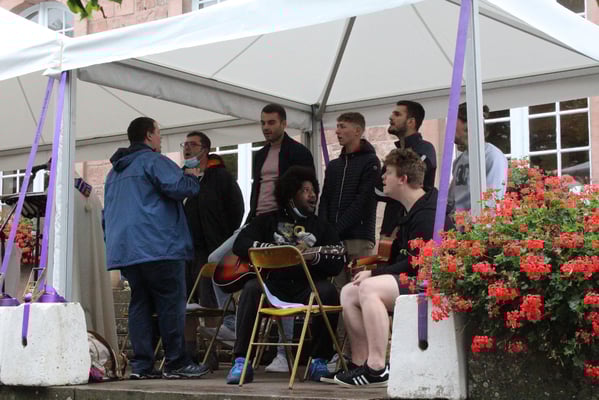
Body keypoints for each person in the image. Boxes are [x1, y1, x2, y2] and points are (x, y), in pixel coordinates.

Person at [330, 149, 453, 387]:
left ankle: (377, 368)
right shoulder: (410, 210)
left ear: (402, 179)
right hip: (415, 279)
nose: (383, 178)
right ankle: (360, 363)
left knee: (369, 289)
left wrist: (374, 273)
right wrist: (374, 271)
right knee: (349, 292)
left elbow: (418, 263)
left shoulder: (427, 214)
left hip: (432, 284)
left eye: (388, 173)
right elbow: (399, 259)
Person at [208, 103, 315, 373]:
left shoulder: (298, 152)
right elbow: (257, 189)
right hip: (256, 221)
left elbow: (309, 190)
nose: (266, 128)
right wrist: (249, 220)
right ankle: (231, 324)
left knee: (282, 280)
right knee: (215, 260)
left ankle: (283, 352)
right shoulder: (260, 154)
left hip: (284, 223)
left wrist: (299, 223)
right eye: (263, 123)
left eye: (271, 123)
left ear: (284, 124)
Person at [104, 117, 209, 380]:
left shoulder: (114, 172)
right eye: (159, 133)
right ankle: (176, 362)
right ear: (149, 135)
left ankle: (142, 365)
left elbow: (107, 215)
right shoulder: (153, 161)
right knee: (170, 302)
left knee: (140, 302)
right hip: (160, 244)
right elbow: (179, 188)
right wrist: (192, 176)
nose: (161, 139)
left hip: (127, 250)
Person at [225, 166, 345, 384]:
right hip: (274, 285)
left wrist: (312, 257)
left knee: (328, 291)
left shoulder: (321, 226)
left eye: (313, 190)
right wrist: (274, 251)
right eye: (305, 190)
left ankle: (319, 360)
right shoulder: (267, 220)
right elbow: (240, 244)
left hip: (307, 287)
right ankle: (242, 360)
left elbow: (337, 262)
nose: (312, 195)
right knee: (251, 289)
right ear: (291, 195)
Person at [181, 131, 244, 344]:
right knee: (186, 304)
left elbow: (236, 208)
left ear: (205, 149)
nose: (187, 148)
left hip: (210, 248)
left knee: (210, 303)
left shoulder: (220, 177)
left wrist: (223, 237)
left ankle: (212, 353)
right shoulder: (181, 177)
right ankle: (190, 351)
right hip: (185, 250)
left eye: (193, 144)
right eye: (185, 144)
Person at [318, 112, 381, 264]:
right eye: (337, 126)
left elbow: (364, 201)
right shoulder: (334, 166)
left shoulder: (370, 161)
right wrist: (325, 229)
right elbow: (325, 199)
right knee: (335, 279)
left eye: (342, 126)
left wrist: (335, 229)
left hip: (359, 238)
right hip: (333, 241)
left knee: (359, 278)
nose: (337, 131)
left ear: (357, 131)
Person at [379, 100, 437, 238]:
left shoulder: (425, 149)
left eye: (397, 114)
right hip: (390, 226)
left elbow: (410, 182)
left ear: (411, 122)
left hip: (413, 224)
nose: (391, 117)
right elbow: (378, 190)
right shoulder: (395, 153)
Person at [448, 102, 508, 212]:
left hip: (475, 222)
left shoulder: (492, 156)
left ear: (468, 124)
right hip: (456, 222)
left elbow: (491, 201)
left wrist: (465, 221)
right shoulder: (459, 161)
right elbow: (451, 200)